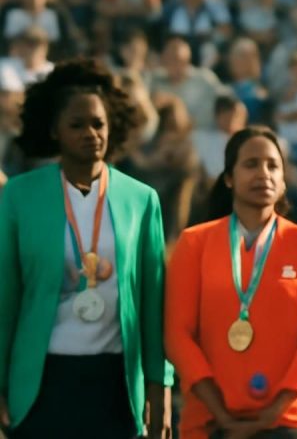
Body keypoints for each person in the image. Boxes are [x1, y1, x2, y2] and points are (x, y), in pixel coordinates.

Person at [0, 59, 172, 438]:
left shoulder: (142, 200)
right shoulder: (18, 197)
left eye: (99, 124)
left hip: (116, 384)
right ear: (55, 131)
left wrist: (160, 387)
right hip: (40, 384)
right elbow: (5, 300)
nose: (91, 133)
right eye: (77, 125)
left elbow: (153, 304)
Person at [164, 126, 297, 438]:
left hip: (294, 420)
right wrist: (221, 414)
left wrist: (270, 415)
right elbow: (177, 335)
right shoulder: (193, 243)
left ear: (283, 181)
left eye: (272, 166)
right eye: (251, 164)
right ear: (228, 178)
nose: (263, 174)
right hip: (211, 419)